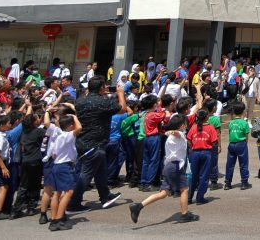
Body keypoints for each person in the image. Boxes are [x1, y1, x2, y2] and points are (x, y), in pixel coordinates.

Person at [66, 75, 125, 212]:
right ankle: (74, 203)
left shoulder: (80, 101)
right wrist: (120, 93)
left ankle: (105, 196)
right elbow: (122, 109)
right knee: (86, 174)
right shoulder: (103, 101)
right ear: (101, 88)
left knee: (100, 170)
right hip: (95, 143)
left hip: (83, 140)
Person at [129, 113, 198, 224]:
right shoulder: (178, 134)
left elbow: (177, 134)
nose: (186, 125)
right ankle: (185, 214)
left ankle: (138, 206)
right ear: (181, 125)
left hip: (168, 167)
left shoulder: (176, 135)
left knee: (163, 193)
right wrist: (173, 131)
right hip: (175, 166)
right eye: (185, 123)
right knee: (184, 189)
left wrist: (171, 132)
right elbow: (177, 134)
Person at [45, 109, 81, 231]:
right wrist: (74, 116)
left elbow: (54, 154)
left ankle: (54, 219)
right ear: (70, 126)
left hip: (56, 165)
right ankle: (59, 219)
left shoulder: (59, 137)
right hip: (64, 166)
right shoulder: (66, 135)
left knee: (57, 193)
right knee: (69, 192)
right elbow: (79, 128)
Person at [187, 108, 217, 204]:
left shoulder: (194, 127)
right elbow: (214, 141)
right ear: (207, 117)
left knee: (193, 176)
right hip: (206, 152)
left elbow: (188, 139)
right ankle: (200, 198)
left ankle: (189, 197)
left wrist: (192, 147)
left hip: (195, 152)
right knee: (204, 175)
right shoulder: (210, 127)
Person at [223, 102, 251, 190]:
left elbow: (230, 132)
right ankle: (244, 182)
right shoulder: (244, 123)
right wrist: (245, 144)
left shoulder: (231, 123)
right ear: (243, 111)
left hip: (231, 144)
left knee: (230, 164)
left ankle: (227, 183)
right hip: (241, 144)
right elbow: (246, 136)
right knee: (243, 164)